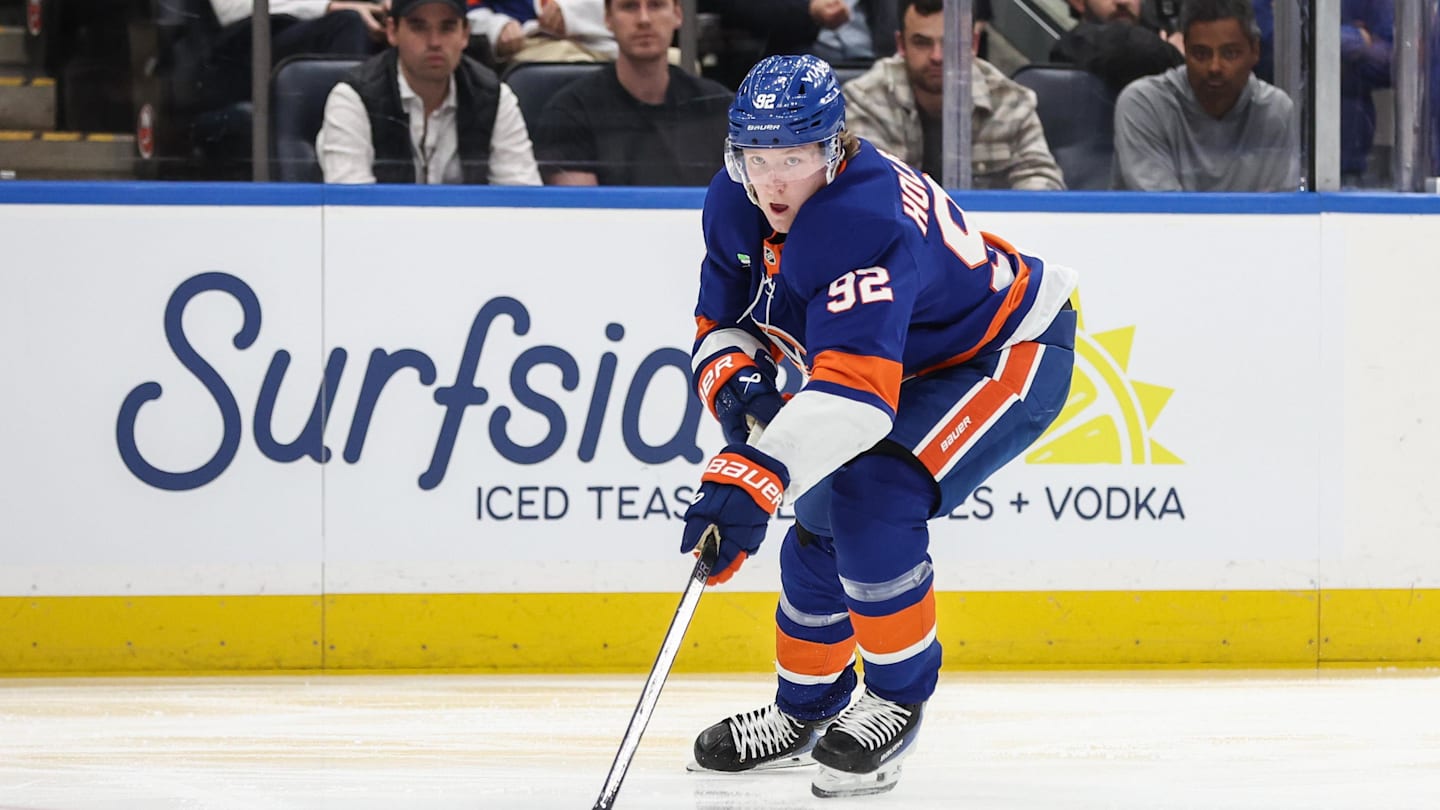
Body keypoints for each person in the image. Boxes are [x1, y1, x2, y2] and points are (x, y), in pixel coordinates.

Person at [681, 54, 1077, 798]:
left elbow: (860, 399)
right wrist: (741, 397)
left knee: (872, 495)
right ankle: (806, 707)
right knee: (821, 516)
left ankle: (895, 701)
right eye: (755, 157)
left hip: (999, 353)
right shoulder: (731, 202)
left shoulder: (862, 219)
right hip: (902, 362)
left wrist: (759, 472)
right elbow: (721, 323)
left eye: (794, 158)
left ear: (833, 148)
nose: (772, 181)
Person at [843, 0, 1065, 190]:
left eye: (951, 42)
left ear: (974, 44)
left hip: (988, 233)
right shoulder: (865, 99)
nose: (937, 56)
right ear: (901, 45)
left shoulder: (1010, 101)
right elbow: (867, 187)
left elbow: (1043, 184)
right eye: (922, 42)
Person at [316, 0, 541, 184]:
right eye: (418, 26)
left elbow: (522, 202)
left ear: (465, 34)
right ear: (392, 31)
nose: (434, 42)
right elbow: (349, 209)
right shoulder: (353, 97)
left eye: (447, 27)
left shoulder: (495, 98)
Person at [533, 0, 733, 186]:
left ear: (678, 14)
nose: (644, 19)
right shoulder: (570, 112)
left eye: (655, 5)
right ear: (608, 19)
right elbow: (581, 215)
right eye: (630, 6)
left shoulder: (717, 107)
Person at [1112, 0, 1297, 191]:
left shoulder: (1275, 111)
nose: (1214, 67)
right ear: (1185, 48)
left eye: (1230, 54)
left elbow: (1277, 212)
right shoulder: (1144, 104)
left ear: (1255, 51)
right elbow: (1163, 213)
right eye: (1201, 54)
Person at [203, 0, 384, 109]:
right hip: (250, 46)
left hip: (326, 29)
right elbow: (232, 8)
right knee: (348, 23)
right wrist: (329, 6)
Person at [1049, 0, 1184, 93]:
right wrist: (1174, 54)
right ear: (1077, 2)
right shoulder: (1072, 46)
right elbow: (1130, 45)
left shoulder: (1156, 34)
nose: (1123, 2)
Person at [465, 0, 618, 62]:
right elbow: (464, 12)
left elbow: (636, 11)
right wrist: (496, 27)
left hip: (609, 44)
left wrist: (573, 11)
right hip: (532, 45)